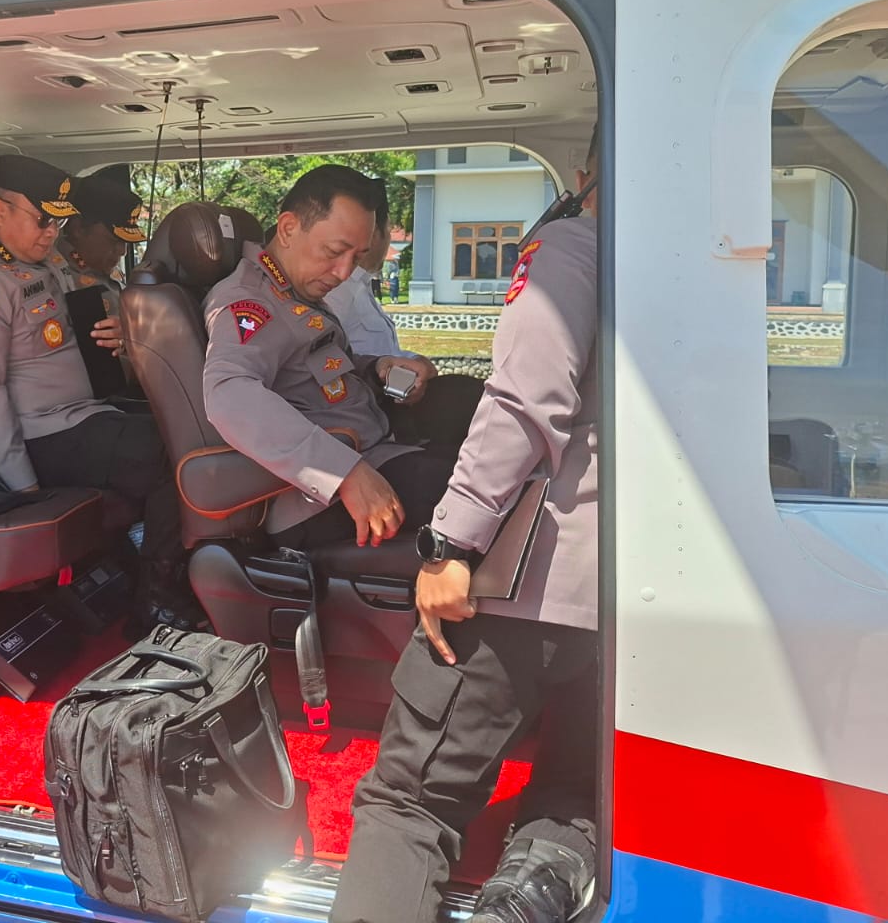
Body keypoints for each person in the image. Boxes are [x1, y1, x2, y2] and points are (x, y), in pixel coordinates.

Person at [331, 135, 601, 923]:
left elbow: (522, 404)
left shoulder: (571, 245)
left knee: (408, 802)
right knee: (573, 784)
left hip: (530, 582)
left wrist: (450, 545)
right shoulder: (687, 265)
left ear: (584, 175)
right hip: (618, 593)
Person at [0, 156, 201, 629]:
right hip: (45, 435)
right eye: (43, 220)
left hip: (86, 414)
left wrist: (123, 335)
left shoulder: (48, 265)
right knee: (173, 455)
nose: (51, 233)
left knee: (191, 429)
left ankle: (173, 570)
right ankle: (157, 596)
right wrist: (23, 487)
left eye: (58, 222)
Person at [201, 166, 456, 551]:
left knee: (467, 413)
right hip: (317, 500)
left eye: (356, 257)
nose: (343, 272)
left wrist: (377, 368)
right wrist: (343, 473)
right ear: (288, 228)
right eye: (335, 252)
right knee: (478, 498)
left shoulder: (293, 293)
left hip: (374, 449)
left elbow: (319, 372)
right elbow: (229, 393)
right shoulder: (248, 302)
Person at [323, 185, 435, 387]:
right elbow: (322, 360)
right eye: (388, 231)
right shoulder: (336, 289)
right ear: (373, 234)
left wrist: (415, 360)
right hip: (361, 398)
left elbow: (382, 351)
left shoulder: (361, 286)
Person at [52, 175, 146, 307]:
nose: (122, 251)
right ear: (78, 228)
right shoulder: (65, 280)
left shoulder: (101, 267)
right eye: (113, 240)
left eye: (125, 241)